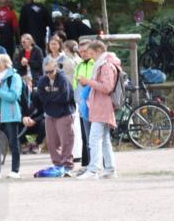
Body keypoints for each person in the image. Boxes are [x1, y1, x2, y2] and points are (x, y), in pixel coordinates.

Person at [76, 40, 120, 179]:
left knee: (94, 139)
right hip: (101, 105)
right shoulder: (103, 64)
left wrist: (88, 82)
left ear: (99, 51)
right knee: (105, 139)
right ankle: (110, 169)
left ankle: (93, 169)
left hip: (102, 106)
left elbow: (107, 87)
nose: (90, 56)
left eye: (92, 53)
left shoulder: (105, 65)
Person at [33, 57, 76, 174]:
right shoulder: (42, 81)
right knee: (52, 142)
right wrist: (53, 97)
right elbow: (42, 97)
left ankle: (67, 164)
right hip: (49, 114)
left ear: (56, 68)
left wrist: (50, 98)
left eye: (51, 71)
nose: (49, 74)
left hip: (64, 113)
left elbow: (65, 97)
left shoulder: (63, 79)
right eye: (46, 72)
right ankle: (57, 164)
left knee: (66, 140)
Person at [0, 54, 23, 179]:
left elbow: (13, 96)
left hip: (11, 115)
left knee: (13, 142)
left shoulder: (15, 77)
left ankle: (15, 170)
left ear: (4, 63)